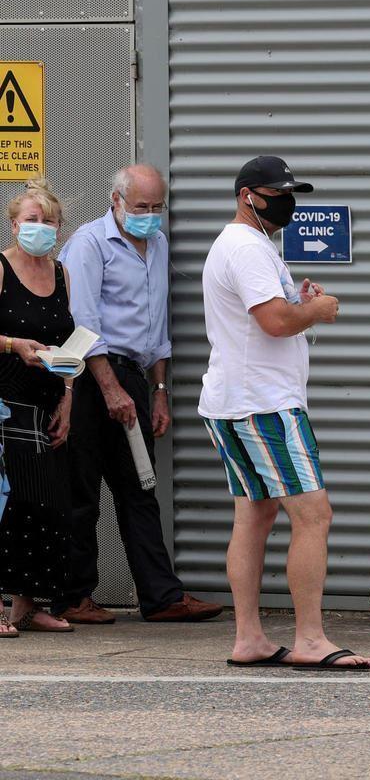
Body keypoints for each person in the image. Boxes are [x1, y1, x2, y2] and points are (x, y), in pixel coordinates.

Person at [200, 156, 370, 670]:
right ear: (247, 194)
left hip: (234, 401)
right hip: (265, 404)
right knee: (314, 515)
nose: (288, 201)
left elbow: (264, 314)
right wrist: (314, 312)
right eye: (278, 192)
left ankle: (250, 638)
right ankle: (311, 639)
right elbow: (275, 323)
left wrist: (298, 299)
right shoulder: (247, 247)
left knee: (255, 515)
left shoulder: (242, 246)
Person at [55, 165, 222, 624]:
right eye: (141, 207)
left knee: (139, 488)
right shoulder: (90, 244)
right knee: (82, 491)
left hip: (133, 379)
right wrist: (110, 389)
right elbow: (83, 322)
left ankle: (161, 597)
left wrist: (160, 390)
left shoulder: (158, 244)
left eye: (156, 208)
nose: (149, 216)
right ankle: (73, 597)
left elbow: (157, 327)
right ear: (117, 201)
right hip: (92, 379)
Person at [0, 179, 76, 635]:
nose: (41, 228)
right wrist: (12, 345)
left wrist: (68, 397)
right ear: (14, 224)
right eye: (32, 220)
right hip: (3, 403)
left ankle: (27, 604)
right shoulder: (2, 269)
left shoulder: (61, 273)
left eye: (49, 221)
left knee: (44, 506)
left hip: (44, 403)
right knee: (4, 506)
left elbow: (68, 342)